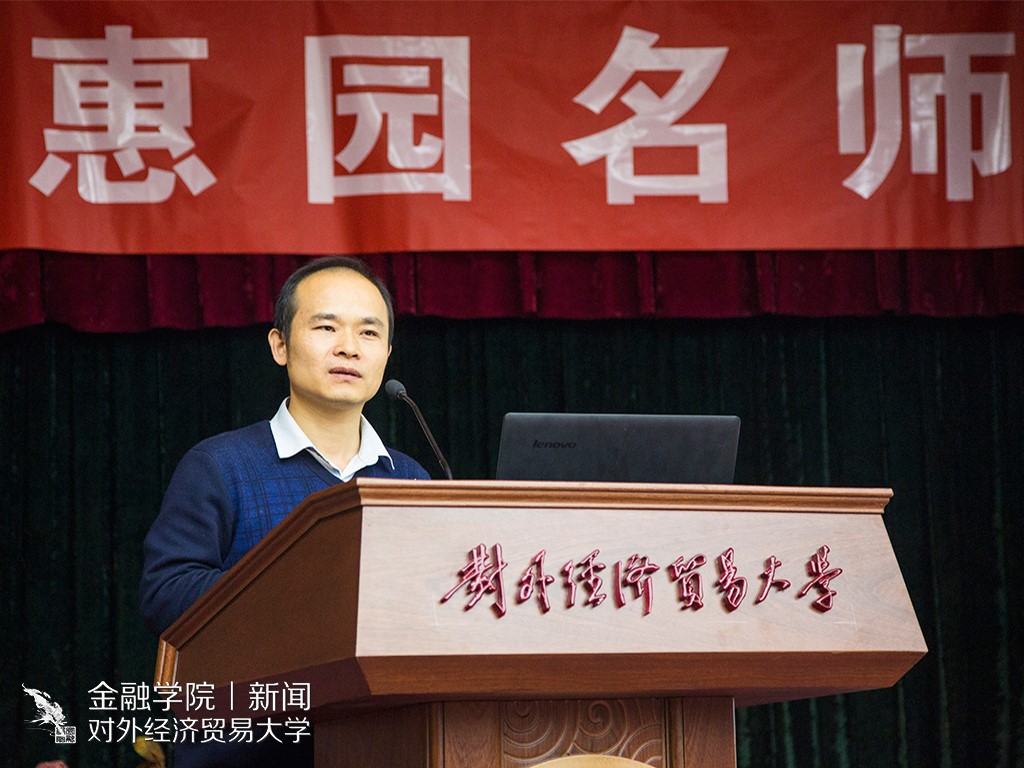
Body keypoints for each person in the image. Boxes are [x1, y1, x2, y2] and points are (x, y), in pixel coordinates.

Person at [139, 256, 430, 767]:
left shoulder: (409, 478)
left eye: (368, 333)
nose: (348, 347)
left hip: (387, 735)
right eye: (326, 327)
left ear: (386, 355)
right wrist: (304, 594)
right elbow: (166, 593)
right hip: (250, 741)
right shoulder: (219, 465)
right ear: (280, 345)